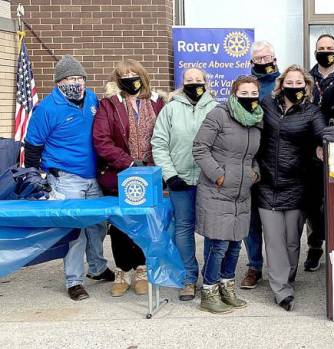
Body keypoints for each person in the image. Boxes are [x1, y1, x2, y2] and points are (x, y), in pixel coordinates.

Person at [24, 55, 113, 301]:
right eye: (70, 78)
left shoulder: (92, 98)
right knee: (75, 231)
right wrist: (35, 180)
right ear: (59, 82)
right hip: (65, 178)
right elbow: (32, 146)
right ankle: (74, 281)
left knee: (98, 225)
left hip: (92, 175)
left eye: (80, 78)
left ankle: (96, 267)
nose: (76, 82)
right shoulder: (46, 109)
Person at [258, 65, 334, 311]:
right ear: (281, 85)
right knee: (274, 241)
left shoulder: (312, 111)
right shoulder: (266, 106)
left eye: (299, 83)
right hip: (267, 184)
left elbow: (322, 134)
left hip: (296, 185)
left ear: (307, 86)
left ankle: (287, 278)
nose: (294, 87)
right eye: (289, 83)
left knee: (292, 242)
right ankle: (281, 290)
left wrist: (330, 136)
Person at [92, 59, 165, 297]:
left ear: (142, 76)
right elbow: (101, 141)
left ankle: (142, 270)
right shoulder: (109, 105)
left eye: (134, 74)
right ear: (118, 79)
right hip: (119, 173)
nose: (130, 78)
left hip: (150, 173)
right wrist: (130, 162)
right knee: (121, 226)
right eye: (125, 75)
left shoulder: (157, 103)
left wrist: (152, 165)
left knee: (143, 223)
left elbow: (165, 136)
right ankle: (122, 271)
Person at [192, 75, 263, 314]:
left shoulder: (256, 119)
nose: (249, 98)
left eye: (253, 94)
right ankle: (209, 290)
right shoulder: (219, 115)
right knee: (218, 245)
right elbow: (200, 148)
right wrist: (219, 175)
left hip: (242, 193)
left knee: (235, 245)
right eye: (244, 94)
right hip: (217, 190)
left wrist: (254, 174)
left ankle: (227, 287)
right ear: (234, 94)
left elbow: (252, 157)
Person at [151, 67, 218, 301]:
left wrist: (216, 174)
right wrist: (170, 175)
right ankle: (189, 277)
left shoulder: (216, 109)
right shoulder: (169, 110)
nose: (194, 83)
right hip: (180, 181)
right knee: (183, 229)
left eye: (198, 80)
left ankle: (212, 278)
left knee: (212, 230)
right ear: (182, 83)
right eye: (189, 80)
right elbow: (159, 144)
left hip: (209, 181)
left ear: (206, 82)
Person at [303, 33, 334, 272]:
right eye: (321, 48)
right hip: (312, 152)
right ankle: (314, 247)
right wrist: (315, 146)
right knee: (313, 204)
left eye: (329, 48)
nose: (325, 51)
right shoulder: (305, 78)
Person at [240, 41, 278, 288]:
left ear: (275, 58)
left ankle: (279, 267)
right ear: (250, 62)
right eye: (258, 58)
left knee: (276, 221)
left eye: (267, 57)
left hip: (277, 161)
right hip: (250, 161)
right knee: (250, 219)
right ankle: (254, 266)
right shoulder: (244, 86)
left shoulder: (284, 83)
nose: (263, 62)